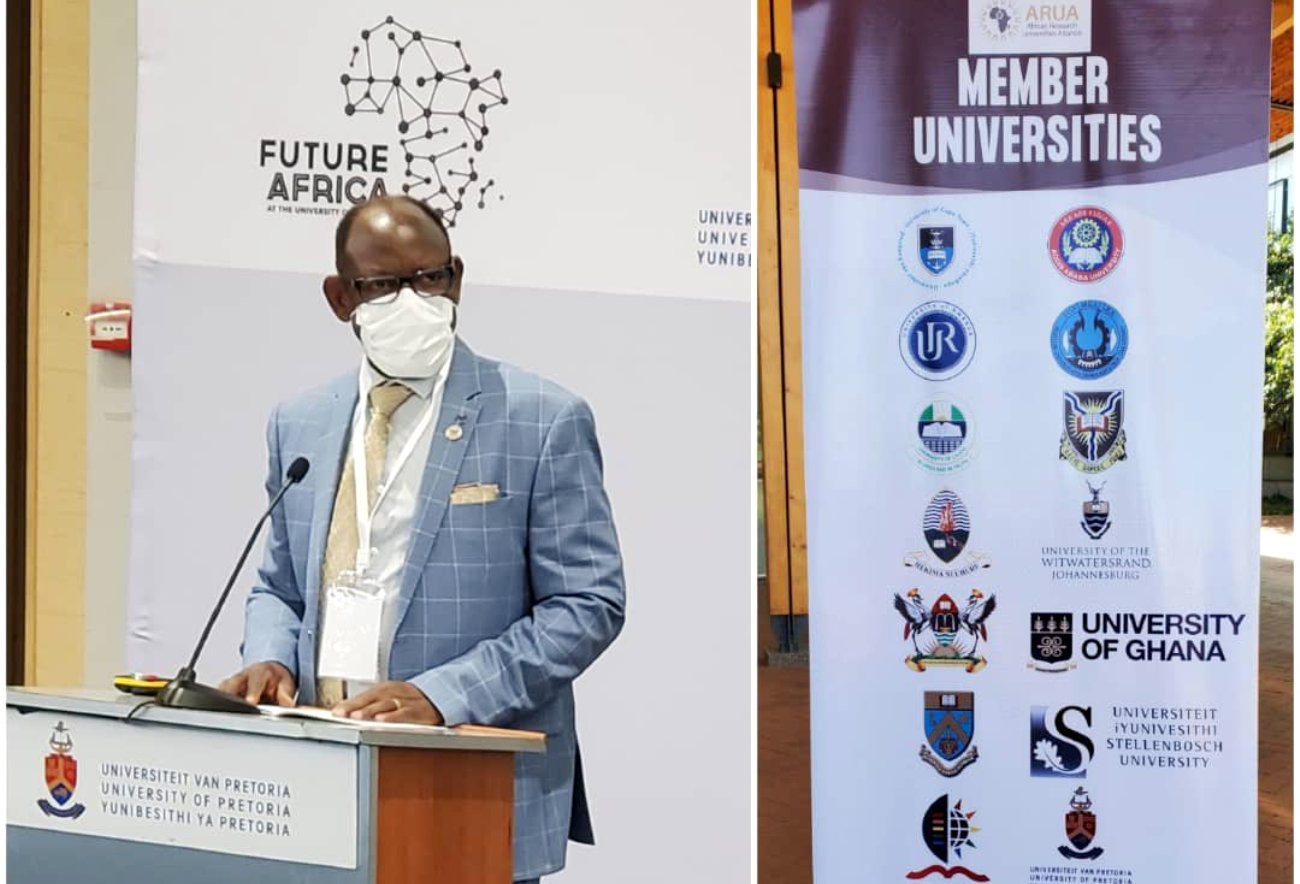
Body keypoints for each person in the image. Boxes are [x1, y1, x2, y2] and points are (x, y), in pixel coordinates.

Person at [218, 194, 626, 883]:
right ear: (340, 298)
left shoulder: (541, 419)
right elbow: (279, 588)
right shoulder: (300, 423)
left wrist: (445, 695)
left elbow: (587, 605)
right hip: (318, 786)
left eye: (429, 278)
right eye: (382, 286)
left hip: (467, 784)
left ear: (456, 278)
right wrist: (269, 658)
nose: (412, 300)